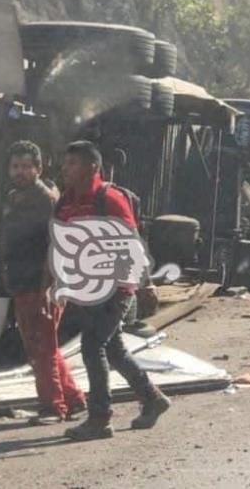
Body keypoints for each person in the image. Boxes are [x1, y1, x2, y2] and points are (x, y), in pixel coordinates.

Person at [55, 140, 171, 441]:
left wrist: (146, 284)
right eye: (65, 164)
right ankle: (153, 399)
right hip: (87, 288)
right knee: (115, 350)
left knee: (93, 347)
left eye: (73, 164)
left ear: (92, 167)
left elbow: (133, 242)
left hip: (116, 288)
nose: (66, 170)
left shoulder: (110, 199)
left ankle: (100, 418)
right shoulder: (66, 201)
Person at [0, 140, 86, 425]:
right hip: (23, 282)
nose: (20, 172)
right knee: (41, 345)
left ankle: (52, 407)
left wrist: (50, 287)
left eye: (26, 167)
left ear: (38, 169)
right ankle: (73, 401)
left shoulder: (46, 200)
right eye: (15, 166)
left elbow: (57, 245)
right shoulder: (15, 197)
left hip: (43, 285)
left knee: (43, 347)